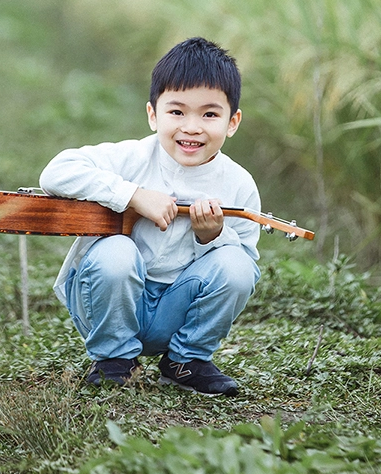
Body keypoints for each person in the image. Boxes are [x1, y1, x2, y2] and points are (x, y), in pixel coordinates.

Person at [39, 37, 261, 396]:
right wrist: (133, 195)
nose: (192, 127)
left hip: (176, 309)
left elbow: (243, 272)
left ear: (232, 122)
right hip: (107, 300)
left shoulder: (237, 183)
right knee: (116, 252)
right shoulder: (133, 158)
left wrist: (212, 237)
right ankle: (113, 360)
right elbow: (55, 172)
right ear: (152, 115)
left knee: (235, 264)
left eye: (209, 114)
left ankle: (185, 361)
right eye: (177, 112)